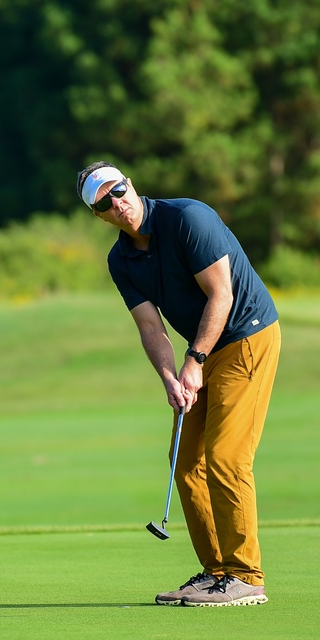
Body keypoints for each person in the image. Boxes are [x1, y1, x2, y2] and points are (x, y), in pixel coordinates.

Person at [78, 163, 281, 607]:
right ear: (100, 215)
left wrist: (195, 360)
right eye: (104, 202)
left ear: (131, 184)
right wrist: (170, 376)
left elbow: (222, 294)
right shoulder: (121, 260)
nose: (118, 202)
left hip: (247, 335)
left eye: (119, 190)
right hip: (202, 351)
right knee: (184, 462)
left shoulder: (188, 218)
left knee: (226, 458)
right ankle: (217, 572)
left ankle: (246, 574)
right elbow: (150, 327)